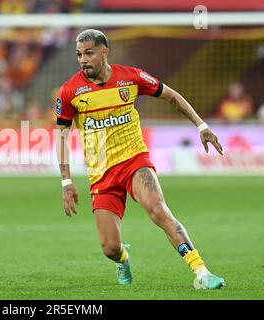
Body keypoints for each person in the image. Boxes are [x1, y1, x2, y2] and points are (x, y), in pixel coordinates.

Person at [55, 29, 226, 289]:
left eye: (89, 53)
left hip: (135, 160)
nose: (83, 60)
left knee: (158, 209)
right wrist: (66, 182)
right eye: (79, 55)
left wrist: (201, 126)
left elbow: (171, 95)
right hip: (101, 172)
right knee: (109, 248)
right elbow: (62, 136)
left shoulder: (131, 77)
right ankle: (123, 258)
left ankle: (201, 272)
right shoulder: (70, 91)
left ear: (104, 52)